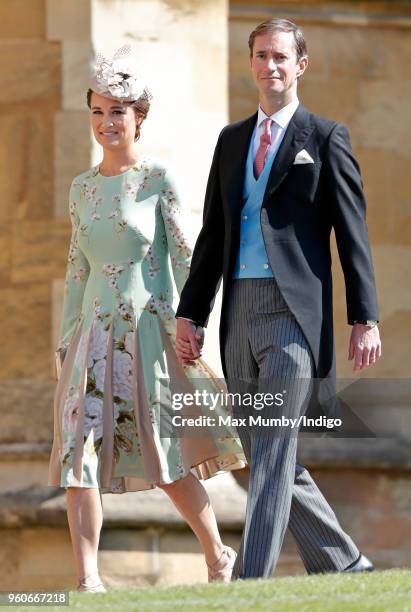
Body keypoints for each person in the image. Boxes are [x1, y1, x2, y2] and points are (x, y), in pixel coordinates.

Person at [175, 19, 382, 579]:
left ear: (301, 65)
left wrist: (365, 317)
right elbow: (213, 235)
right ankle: (344, 563)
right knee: (267, 448)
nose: (272, 65)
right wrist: (191, 312)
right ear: (251, 64)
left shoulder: (325, 137)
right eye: (262, 55)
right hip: (238, 312)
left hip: (294, 314)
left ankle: (249, 583)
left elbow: (352, 234)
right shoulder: (231, 140)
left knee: (271, 451)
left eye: (282, 56)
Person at [48, 45, 245, 592]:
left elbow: (187, 259)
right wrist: (67, 340)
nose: (106, 122)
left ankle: (216, 554)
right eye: (98, 111)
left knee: (166, 460)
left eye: (118, 111)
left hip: (149, 336)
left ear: (139, 118)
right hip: (90, 337)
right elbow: (77, 269)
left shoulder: (158, 179)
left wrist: (194, 326)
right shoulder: (81, 189)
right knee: (76, 454)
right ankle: (87, 581)